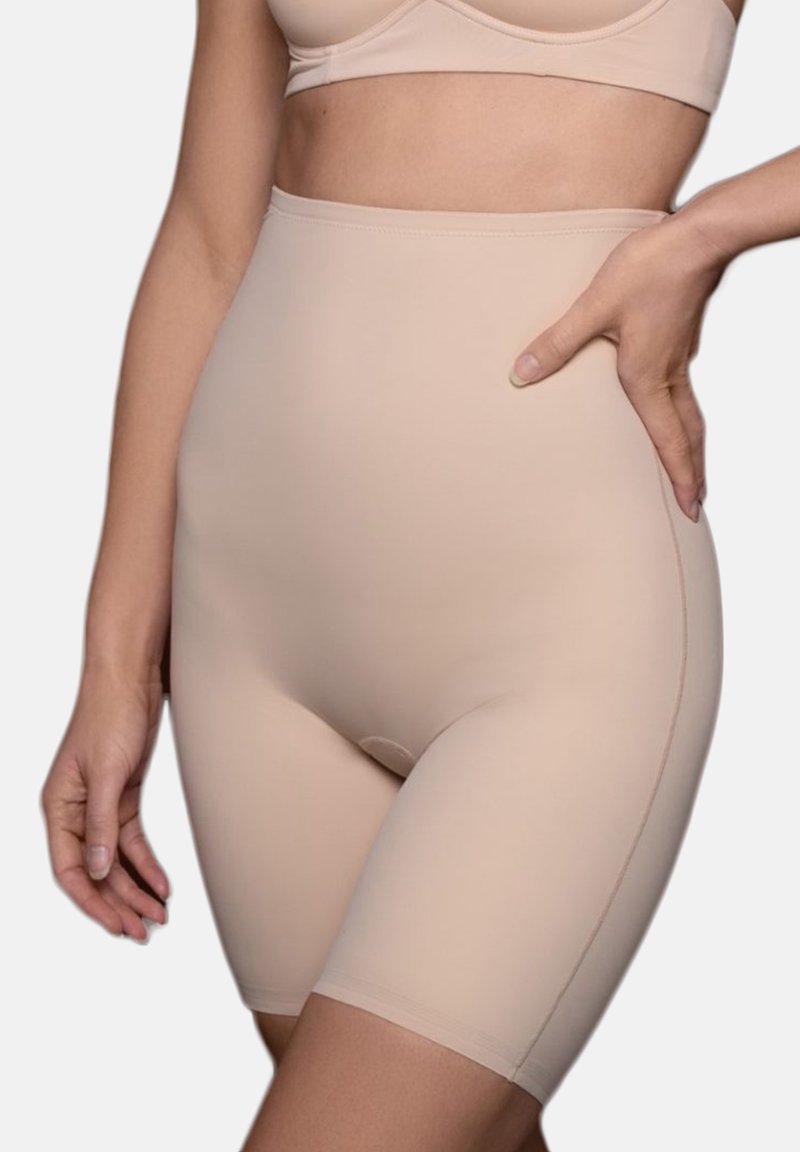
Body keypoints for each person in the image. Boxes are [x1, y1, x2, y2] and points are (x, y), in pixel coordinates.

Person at [39, 1, 799, 1149]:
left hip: (555, 626)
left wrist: (705, 231)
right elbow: (205, 237)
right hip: (250, 624)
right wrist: (113, 664)